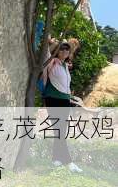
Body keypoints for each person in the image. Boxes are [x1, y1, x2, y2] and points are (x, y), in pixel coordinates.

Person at [42, 41, 83, 173]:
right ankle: (69, 162)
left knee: (60, 131)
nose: (65, 51)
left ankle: (56, 159)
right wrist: (52, 43)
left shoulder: (65, 66)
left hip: (64, 101)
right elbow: (47, 54)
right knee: (59, 131)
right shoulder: (52, 62)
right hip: (53, 99)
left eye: (67, 50)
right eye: (62, 49)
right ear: (57, 51)